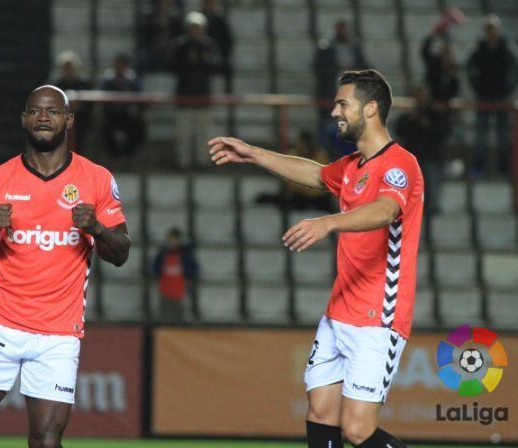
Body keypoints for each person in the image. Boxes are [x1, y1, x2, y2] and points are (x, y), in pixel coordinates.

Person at [209, 69, 423, 448]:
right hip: (339, 310)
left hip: (379, 315)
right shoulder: (353, 165)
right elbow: (315, 173)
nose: (334, 112)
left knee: (357, 430)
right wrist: (253, 153)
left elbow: (385, 210)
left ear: (371, 108)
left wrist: (328, 223)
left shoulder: (399, 163)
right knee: (320, 413)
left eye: (343, 104)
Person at [0, 85, 131, 448]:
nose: (44, 117)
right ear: (24, 119)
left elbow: (120, 253)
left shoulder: (97, 179)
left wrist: (97, 228)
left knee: (46, 439)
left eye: (53, 111)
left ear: (68, 120)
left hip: (58, 334)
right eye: (36, 111)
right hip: (0, 325)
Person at [466, 14, 517, 176]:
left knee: (503, 134)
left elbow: (515, 70)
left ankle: (504, 167)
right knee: (481, 134)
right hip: (484, 96)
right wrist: (476, 88)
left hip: (501, 97)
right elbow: (469, 68)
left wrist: (509, 90)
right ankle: (479, 166)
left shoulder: (506, 47)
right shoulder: (479, 48)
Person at [170, 11, 220, 168]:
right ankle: (182, 162)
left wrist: (203, 62)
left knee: (203, 133)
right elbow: (172, 65)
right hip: (184, 96)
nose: (195, 31)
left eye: (198, 27)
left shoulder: (208, 46)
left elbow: (217, 66)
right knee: (183, 134)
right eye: (193, 27)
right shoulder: (180, 46)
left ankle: (202, 161)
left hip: (203, 96)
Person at [313, 20, 368, 157]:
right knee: (328, 129)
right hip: (330, 96)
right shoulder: (326, 47)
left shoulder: (354, 47)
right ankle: (329, 155)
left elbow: (365, 66)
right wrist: (336, 69)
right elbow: (318, 67)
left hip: (351, 97)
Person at [395, 87, 449, 216]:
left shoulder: (436, 115)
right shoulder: (409, 115)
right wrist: (411, 121)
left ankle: (432, 210)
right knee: (413, 187)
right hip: (413, 157)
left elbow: (443, 132)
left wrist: (427, 125)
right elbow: (400, 131)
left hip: (432, 156)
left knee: (432, 185)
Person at [99, 54, 145, 164]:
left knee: (139, 128)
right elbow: (102, 96)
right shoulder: (108, 80)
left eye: (122, 64)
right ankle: (115, 156)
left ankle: (127, 156)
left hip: (128, 115)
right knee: (105, 129)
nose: (119, 67)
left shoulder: (132, 80)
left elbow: (139, 96)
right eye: (117, 64)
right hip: (112, 115)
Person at [153, 227, 197, 323]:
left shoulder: (186, 255)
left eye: (174, 240)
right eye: (170, 240)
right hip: (164, 292)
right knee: (164, 318)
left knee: (180, 319)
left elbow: (192, 271)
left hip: (180, 293)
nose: (171, 242)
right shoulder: (162, 254)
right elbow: (155, 269)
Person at [53, 51, 93, 153]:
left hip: (81, 121)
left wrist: (79, 106)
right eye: (65, 67)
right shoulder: (55, 85)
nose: (68, 70)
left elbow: (90, 105)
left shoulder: (85, 85)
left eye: (71, 67)